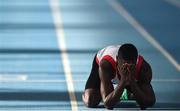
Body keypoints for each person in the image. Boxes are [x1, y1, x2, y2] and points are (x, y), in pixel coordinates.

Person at [82, 43, 156, 110]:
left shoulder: (144, 68)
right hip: (102, 62)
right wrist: (123, 80)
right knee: (90, 101)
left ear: (136, 62)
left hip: (130, 79)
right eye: (123, 65)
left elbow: (148, 103)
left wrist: (132, 81)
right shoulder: (106, 65)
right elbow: (108, 105)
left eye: (130, 66)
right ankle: (117, 91)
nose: (126, 69)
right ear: (117, 59)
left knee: (147, 100)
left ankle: (124, 93)